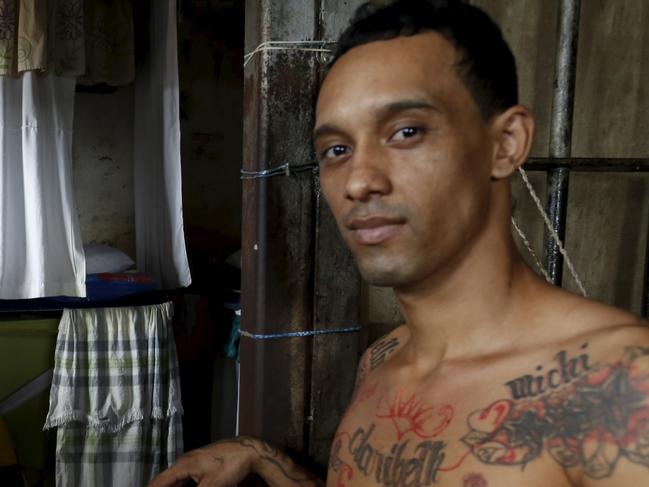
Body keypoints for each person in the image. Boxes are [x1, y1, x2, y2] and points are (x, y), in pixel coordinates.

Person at [151, 1, 649, 485]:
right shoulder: (382, 361)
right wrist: (264, 458)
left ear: (505, 143)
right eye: (337, 150)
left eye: (406, 132)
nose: (358, 181)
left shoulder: (621, 385)